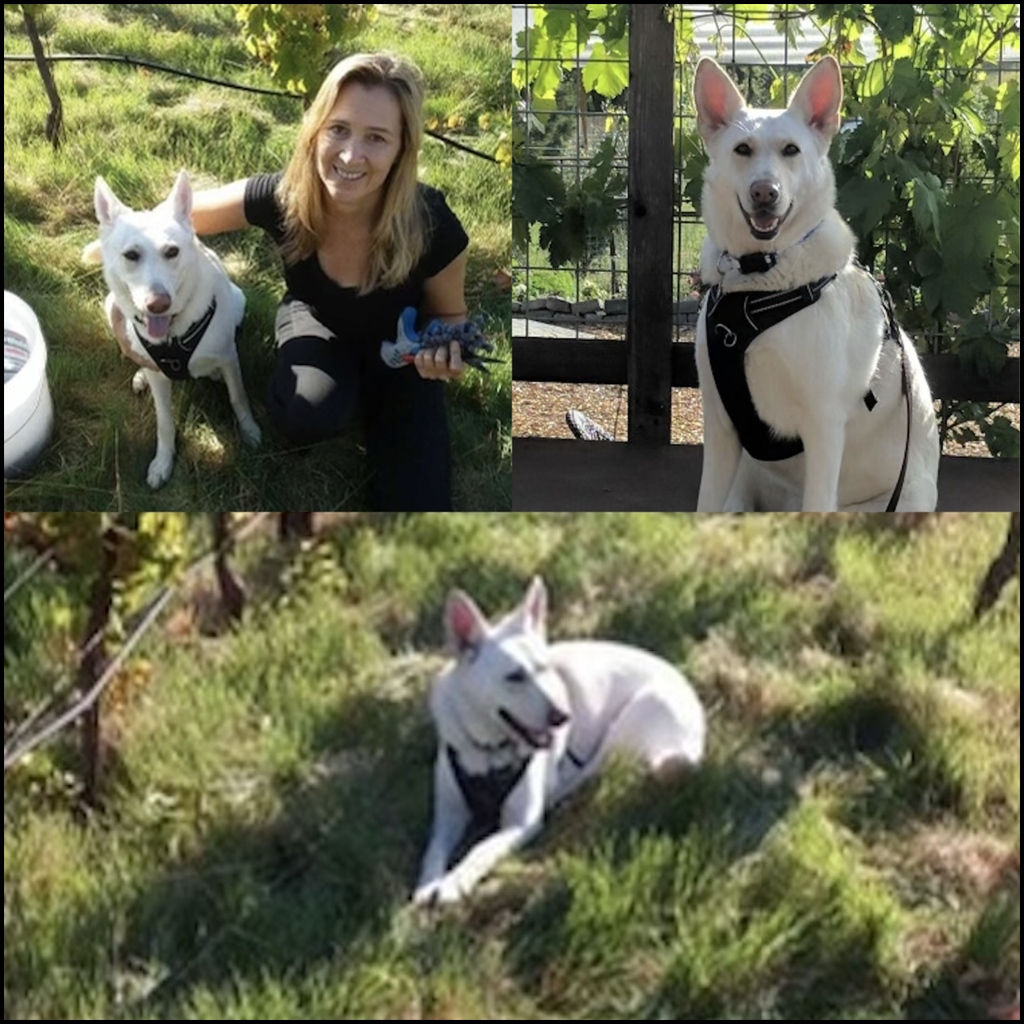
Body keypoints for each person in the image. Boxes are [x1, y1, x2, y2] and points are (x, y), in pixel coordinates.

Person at [113, 51, 471, 510]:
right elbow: (168, 224)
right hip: (317, 321)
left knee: (418, 500)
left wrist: (446, 350)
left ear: (403, 148)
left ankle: (377, 398)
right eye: (338, 129)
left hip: (405, 351)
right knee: (302, 416)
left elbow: (451, 315)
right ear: (315, 130)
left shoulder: (432, 222)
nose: (349, 155)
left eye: (376, 138)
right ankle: (341, 393)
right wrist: (126, 294)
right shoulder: (283, 198)